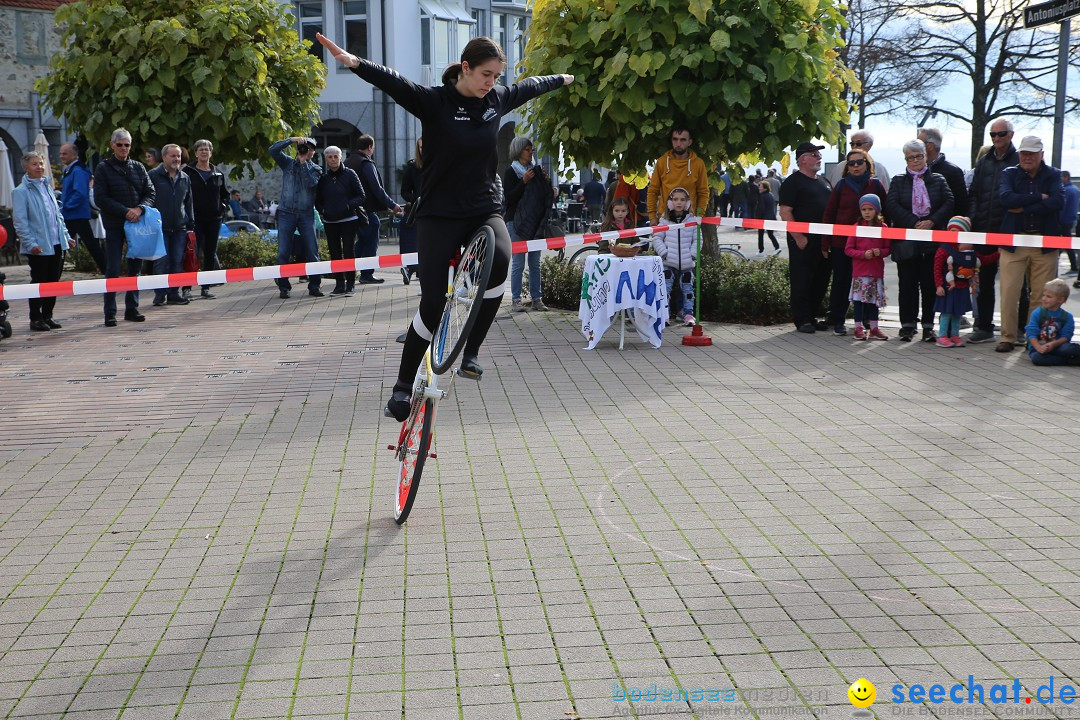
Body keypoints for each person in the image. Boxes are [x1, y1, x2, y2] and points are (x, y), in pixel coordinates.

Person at [315, 32, 572, 421]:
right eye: (485, 74)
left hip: (483, 207)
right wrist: (354, 62)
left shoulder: (496, 99)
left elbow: (530, 87)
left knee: (501, 260)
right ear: (465, 68)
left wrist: (563, 79)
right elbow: (395, 82)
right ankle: (402, 387)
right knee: (432, 304)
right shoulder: (435, 102)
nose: (491, 83)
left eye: (496, 76)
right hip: (438, 212)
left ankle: (470, 353)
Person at [994, 135, 1063, 353]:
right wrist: (1038, 197)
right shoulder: (1009, 173)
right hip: (1014, 241)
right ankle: (1007, 336)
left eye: (1032, 153)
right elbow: (1005, 199)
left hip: (1044, 242)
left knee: (1041, 295)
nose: (1027, 157)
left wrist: (1023, 205)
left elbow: (1057, 202)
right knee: (1009, 292)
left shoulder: (1053, 175)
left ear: (1042, 154)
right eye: (1024, 153)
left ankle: (1033, 340)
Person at [885, 138, 955, 342]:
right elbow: (892, 204)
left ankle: (928, 326)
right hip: (907, 240)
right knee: (907, 284)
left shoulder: (939, 179)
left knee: (929, 284)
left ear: (925, 156)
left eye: (919, 156)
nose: (915, 161)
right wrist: (914, 222)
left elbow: (949, 202)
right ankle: (907, 325)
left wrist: (932, 221)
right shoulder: (898, 180)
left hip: (932, 240)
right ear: (905, 160)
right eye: (910, 158)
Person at [822, 148, 887, 335]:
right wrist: (825, 242)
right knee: (841, 283)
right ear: (847, 167)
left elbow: (886, 212)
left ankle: (868, 322)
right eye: (852, 163)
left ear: (867, 164)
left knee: (869, 283)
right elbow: (829, 213)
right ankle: (838, 320)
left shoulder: (875, 185)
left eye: (860, 162)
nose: (856, 166)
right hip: (842, 244)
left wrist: (885, 241)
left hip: (869, 246)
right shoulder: (842, 185)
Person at [93, 127, 154, 326]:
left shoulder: (138, 167)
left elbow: (150, 192)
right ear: (112, 145)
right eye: (119, 144)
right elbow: (100, 198)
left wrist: (140, 209)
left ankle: (132, 308)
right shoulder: (103, 168)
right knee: (112, 269)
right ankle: (110, 312)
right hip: (115, 225)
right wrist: (125, 211)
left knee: (135, 268)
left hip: (137, 224)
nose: (123, 148)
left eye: (127, 145)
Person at [966, 118, 1019, 344]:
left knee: (1015, 285)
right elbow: (974, 193)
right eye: (993, 135)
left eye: (1002, 134)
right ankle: (984, 326)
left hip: (1009, 231)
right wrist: (975, 217)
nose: (997, 138)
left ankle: (1020, 329)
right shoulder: (984, 161)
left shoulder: (1020, 160)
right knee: (984, 282)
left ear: (1011, 135)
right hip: (984, 230)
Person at [13, 152, 75, 331]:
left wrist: (66, 236)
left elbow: (58, 216)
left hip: (56, 243)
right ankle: (35, 317)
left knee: (53, 281)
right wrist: (30, 243)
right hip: (39, 246)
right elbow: (20, 221)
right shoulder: (20, 191)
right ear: (26, 168)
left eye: (41, 163)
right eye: (35, 164)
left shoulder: (47, 186)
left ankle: (48, 315)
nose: (39, 167)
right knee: (39, 281)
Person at [779, 142, 832, 333]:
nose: (819, 157)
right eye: (814, 154)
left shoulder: (824, 181)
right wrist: (799, 237)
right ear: (802, 159)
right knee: (802, 279)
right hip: (803, 241)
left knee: (821, 279)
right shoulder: (792, 183)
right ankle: (802, 320)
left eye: (818, 154)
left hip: (824, 241)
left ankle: (812, 316)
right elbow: (785, 211)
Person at [269, 136, 324, 299]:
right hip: (286, 213)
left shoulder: (316, 169)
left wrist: (303, 163)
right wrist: (291, 140)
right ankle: (284, 287)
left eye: (310, 148)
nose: (306, 150)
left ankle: (314, 285)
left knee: (312, 252)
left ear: (313, 152)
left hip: (306, 214)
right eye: (304, 147)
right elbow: (272, 150)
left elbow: (310, 184)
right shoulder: (287, 163)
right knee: (283, 252)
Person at [504, 135, 553, 312]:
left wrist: (546, 183)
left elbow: (542, 196)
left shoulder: (535, 171)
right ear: (518, 151)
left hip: (534, 223)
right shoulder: (511, 172)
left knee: (535, 261)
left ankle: (537, 299)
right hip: (516, 222)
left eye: (532, 148)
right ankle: (516, 299)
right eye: (527, 148)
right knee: (518, 261)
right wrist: (523, 182)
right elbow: (509, 199)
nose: (531, 151)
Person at [349, 134, 402, 284]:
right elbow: (377, 188)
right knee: (371, 239)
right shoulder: (365, 163)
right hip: (366, 210)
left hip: (351, 211)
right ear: (370, 147)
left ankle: (349, 269)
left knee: (362, 241)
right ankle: (366, 274)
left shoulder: (347, 161)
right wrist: (392, 205)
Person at [315, 145, 365, 296]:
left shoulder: (350, 174)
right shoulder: (323, 179)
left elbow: (361, 195)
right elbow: (318, 201)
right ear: (326, 159)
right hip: (330, 222)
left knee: (349, 251)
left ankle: (350, 285)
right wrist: (323, 210)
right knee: (335, 254)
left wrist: (348, 205)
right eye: (329, 157)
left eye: (335, 156)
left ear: (340, 157)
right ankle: (339, 285)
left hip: (349, 219)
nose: (333, 159)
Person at [182, 139, 230, 299]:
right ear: (195, 153)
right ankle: (187, 287)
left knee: (210, 253)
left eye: (206, 149)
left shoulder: (218, 173)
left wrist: (222, 209)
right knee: (191, 253)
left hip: (214, 220)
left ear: (211, 153)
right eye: (200, 149)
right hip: (194, 220)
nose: (204, 152)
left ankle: (206, 287)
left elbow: (225, 195)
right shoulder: (187, 172)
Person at [148, 144, 192, 307]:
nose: (176, 159)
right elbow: (147, 199)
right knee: (161, 261)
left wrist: (190, 223)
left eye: (178, 156)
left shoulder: (185, 177)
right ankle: (160, 294)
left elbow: (188, 202)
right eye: (173, 156)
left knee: (177, 261)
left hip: (180, 227)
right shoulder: (153, 175)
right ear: (164, 157)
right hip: (160, 227)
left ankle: (174, 293)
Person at [844, 194, 891, 341]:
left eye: (870, 209)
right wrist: (863, 254)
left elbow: (888, 248)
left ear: (877, 210)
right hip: (860, 272)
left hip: (875, 271)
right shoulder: (856, 227)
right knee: (858, 302)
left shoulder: (883, 227)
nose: (867, 212)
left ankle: (874, 328)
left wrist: (880, 252)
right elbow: (848, 249)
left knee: (873, 302)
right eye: (864, 209)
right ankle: (858, 327)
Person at [652, 187, 699, 326]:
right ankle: (664, 314)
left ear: (688, 202)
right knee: (665, 288)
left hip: (687, 262)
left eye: (683, 200)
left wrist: (692, 255)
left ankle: (688, 314)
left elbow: (698, 239)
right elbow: (657, 238)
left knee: (688, 289)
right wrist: (664, 252)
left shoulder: (692, 220)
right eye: (676, 199)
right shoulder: (665, 220)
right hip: (668, 262)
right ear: (670, 202)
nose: (679, 203)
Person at [646, 127, 710, 225]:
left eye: (683, 140)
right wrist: (652, 217)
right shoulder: (662, 162)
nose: (678, 143)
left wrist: (699, 216)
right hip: (664, 219)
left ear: (690, 142)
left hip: (689, 220)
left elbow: (703, 192)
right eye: (675, 139)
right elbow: (652, 191)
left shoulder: (698, 164)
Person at [58, 142, 105, 274]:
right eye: (61, 153)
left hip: (75, 214)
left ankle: (108, 270)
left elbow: (80, 193)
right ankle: (107, 270)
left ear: (74, 154)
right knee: (87, 244)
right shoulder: (74, 169)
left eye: (65, 153)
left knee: (65, 244)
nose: (61, 156)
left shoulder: (78, 170)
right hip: (73, 214)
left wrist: (65, 207)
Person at [932, 233, 980, 348]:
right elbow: (937, 268)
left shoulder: (971, 254)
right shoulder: (945, 250)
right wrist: (939, 285)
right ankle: (942, 336)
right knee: (946, 312)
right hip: (948, 287)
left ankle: (955, 335)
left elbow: (977, 267)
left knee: (957, 313)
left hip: (962, 288)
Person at [1025, 278, 1080, 366]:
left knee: (1069, 348)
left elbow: (1066, 336)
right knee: (1036, 358)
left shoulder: (1067, 317)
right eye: (1044, 295)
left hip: (1058, 346)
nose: (1044, 299)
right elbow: (1031, 333)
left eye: (1049, 297)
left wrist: (1053, 344)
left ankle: (1064, 358)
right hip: (1040, 347)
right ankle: (1068, 361)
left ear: (1061, 300)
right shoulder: (1037, 313)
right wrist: (1038, 347)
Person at [918, 127, 970, 216]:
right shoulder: (916, 170)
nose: (915, 147)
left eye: (919, 144)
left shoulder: (953, 172)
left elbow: (961, 205)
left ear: (929, 146)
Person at [826, 130, 892, 191]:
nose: (854, 147)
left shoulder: (879, 168)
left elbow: (886, 192)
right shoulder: (840, 167)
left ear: (870, 144)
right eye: (852, 144)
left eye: (858, 144)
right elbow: (833, 191)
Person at [399, 137, 422, 284]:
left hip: (437, 212)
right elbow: (404, 191)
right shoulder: (413, 168)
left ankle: (416, 271)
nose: (423, 150)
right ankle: (410, 269)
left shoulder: (439, 165)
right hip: (418, 210)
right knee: (414, 243)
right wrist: (416, 198)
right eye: (420, 147)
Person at [1059, 170, 1079, 280]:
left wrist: (1057, 219)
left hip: (1064, 220)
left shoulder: (1066, 190)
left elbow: (1062, 207)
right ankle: (1074, 265)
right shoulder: (1075, 189)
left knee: (1063, 243)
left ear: (1066, 177)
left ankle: (1074, 266)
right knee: (1067, 242)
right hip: (1071, 219)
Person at [754, 181, 780, 257]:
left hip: (763, 218)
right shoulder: (770, 195)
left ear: (765, 188)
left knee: (761, 235)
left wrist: (757, 217)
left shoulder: (762, 196)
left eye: (760, 186)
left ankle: (761, 251)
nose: (759, 188)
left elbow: (761, 208)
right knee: (770, 234)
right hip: (771, 217)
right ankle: (777, 247)